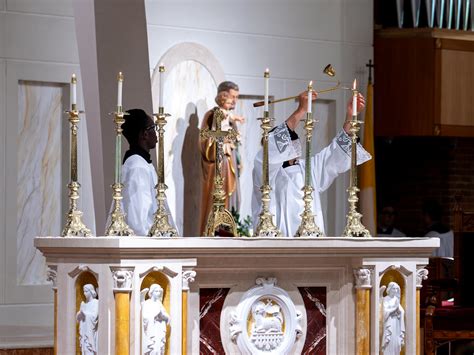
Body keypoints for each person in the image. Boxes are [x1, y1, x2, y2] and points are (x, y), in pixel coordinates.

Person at [252, 90, 371, 237]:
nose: (292, 144)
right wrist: (301, 110)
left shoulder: (307, 168)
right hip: (277, 242)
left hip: (310, 239)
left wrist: (350, 116)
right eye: (287, 138)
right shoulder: (264, 169)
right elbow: (271, 148)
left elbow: (335, 154)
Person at [119, 109, 176, 236]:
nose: (156, 133)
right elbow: (137, 218)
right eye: (154, 128)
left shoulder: (142, 163)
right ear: (144, 134)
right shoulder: (137, 166)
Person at [200, 81, 244, 235]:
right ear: (222, 96)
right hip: (218, 164)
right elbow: (206, 142)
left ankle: (231, 230)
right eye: (232, 97)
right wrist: (221, 141)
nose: (234, 101)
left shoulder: (230, 118)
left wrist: (238, 159)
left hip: (230, 163)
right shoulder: (213, 115)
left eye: (236, 97)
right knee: (218, 202)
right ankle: (214, 232)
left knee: (234, 201)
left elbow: (235, 142)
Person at [141, 284, 170, 355]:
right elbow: (144, 317)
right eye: (156, 291)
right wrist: (154, 315)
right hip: (151, 329)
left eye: (159, 291)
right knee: (152, 348)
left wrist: (162, 315)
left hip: (159, 329)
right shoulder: (147, 303)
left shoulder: (159, 304)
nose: (158, 293)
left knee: (159, 349)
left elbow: (166, 316)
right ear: (151, 292)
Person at [380, 282, 405, 354]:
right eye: (394, 289)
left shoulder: (396, 299)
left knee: (396, 341)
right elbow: (384, 312)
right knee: (389, 340)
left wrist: (399, 312)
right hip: (389, 323)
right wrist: (394, 309)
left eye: (396, 289)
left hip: (396, 323)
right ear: (390, 289)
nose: (395, 290)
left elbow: (402, 311)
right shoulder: (385, 299)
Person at [76, 284, 99, 355]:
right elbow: (78, 319)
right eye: (83, 291)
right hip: (84, 331)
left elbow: (94, 317)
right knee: (84, 350)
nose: (84, 293)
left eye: (86, 291)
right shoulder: (83, 304)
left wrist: (85, 314)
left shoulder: (96, 302)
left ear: (91, 291)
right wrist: (79, 314)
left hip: (90, 332)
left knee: (89, 349)